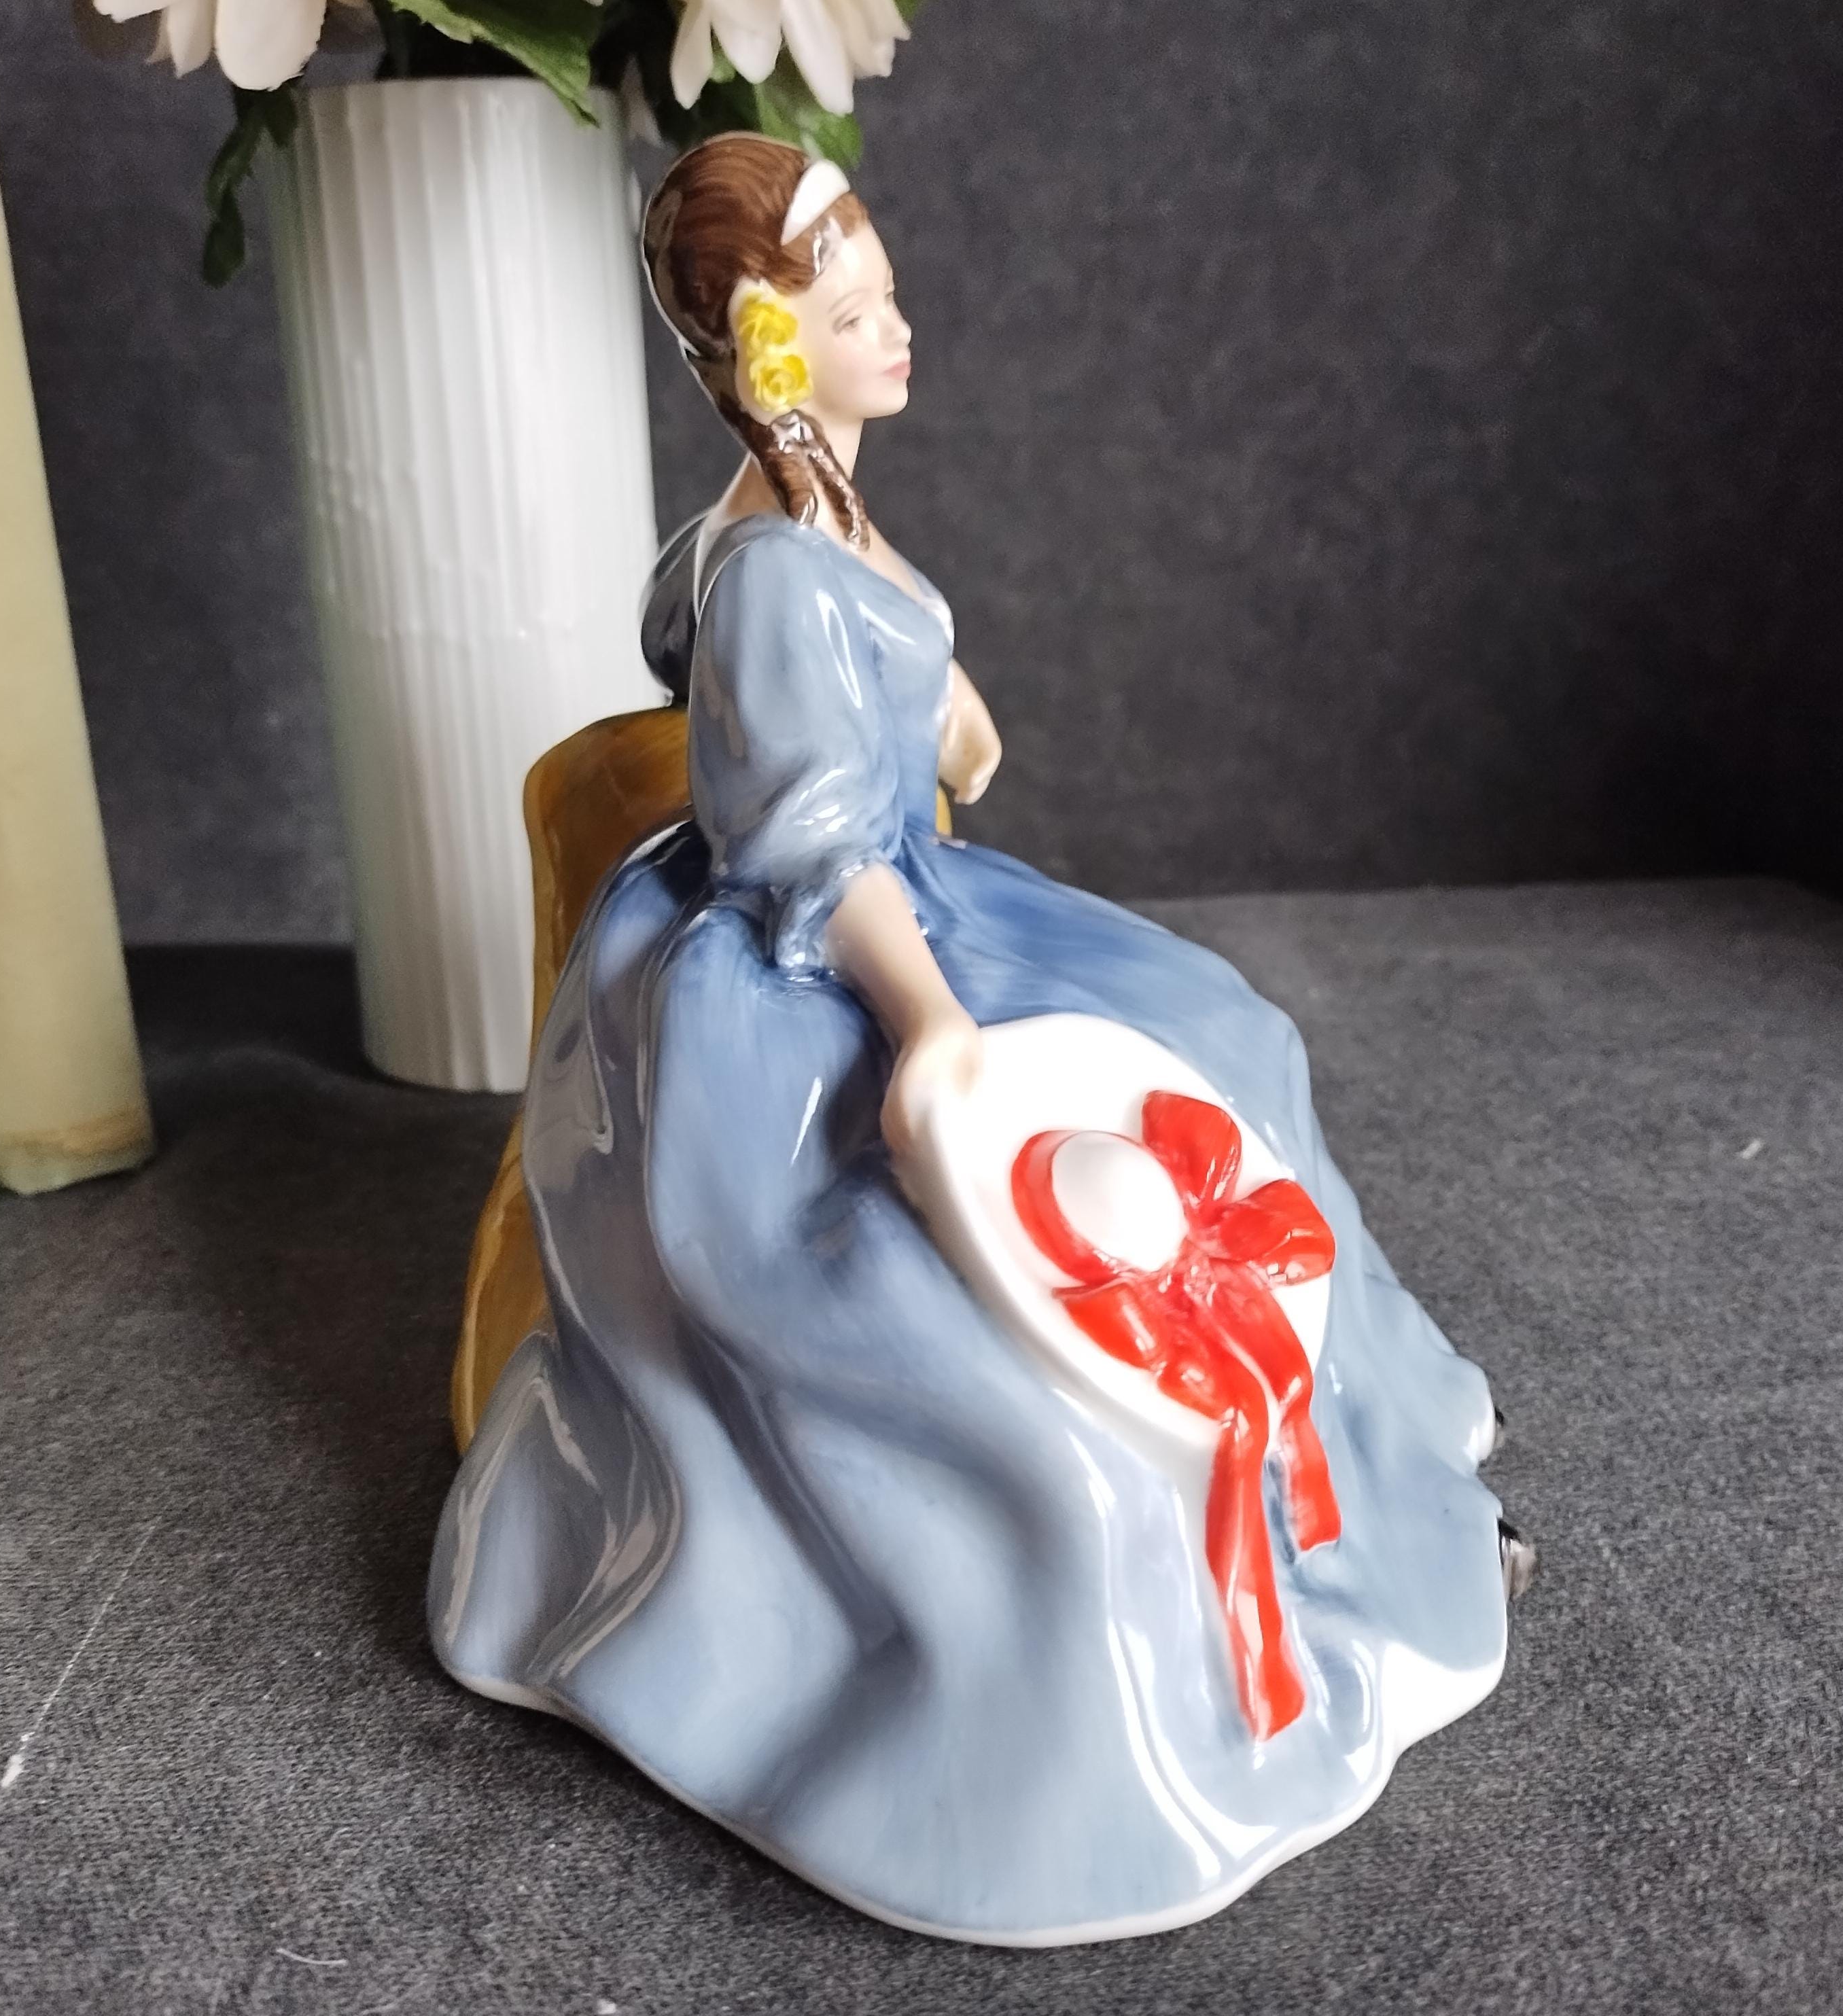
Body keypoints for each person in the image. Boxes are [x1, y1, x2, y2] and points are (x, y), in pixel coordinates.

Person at [427, 132, 1533, 1946]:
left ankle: (1367, 1424)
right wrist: (932, 1028)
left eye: (888, 294)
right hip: (818, 962)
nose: (901, 328)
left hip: (914, 884)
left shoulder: (809, 510)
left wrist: (933, 690)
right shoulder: (773, 571)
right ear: (775, 344)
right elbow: (804, 843)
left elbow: (768, 643)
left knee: (1229, 1026)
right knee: (948, 1242)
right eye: (859, 310)